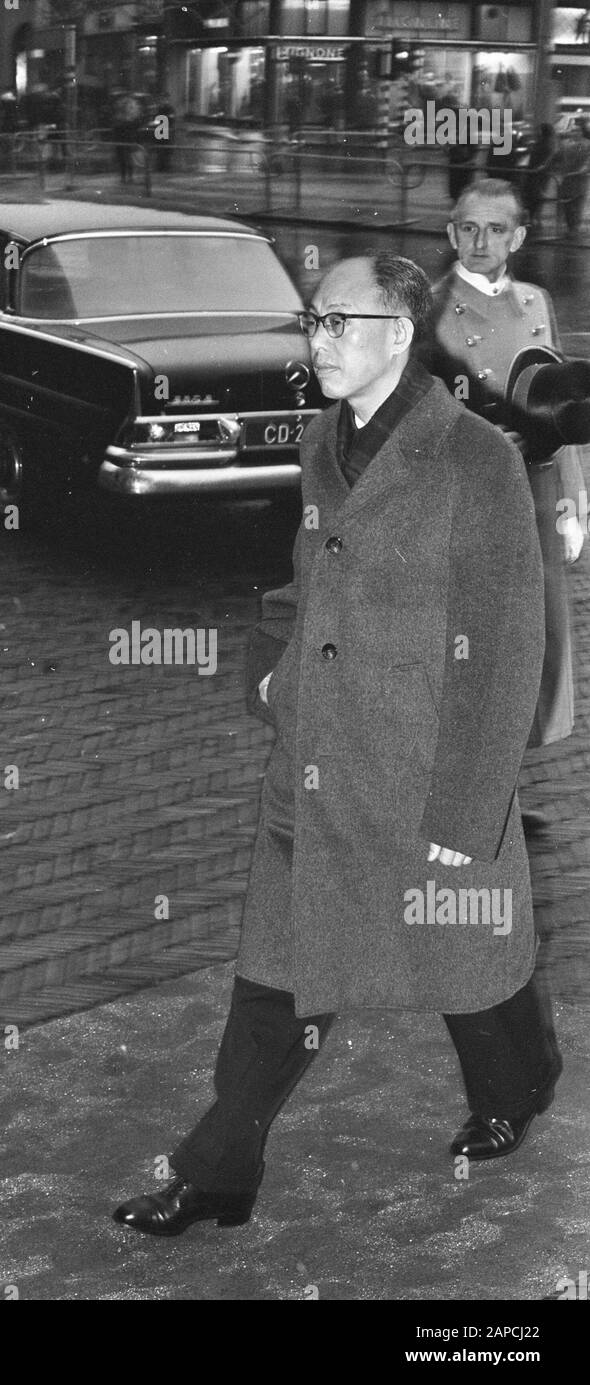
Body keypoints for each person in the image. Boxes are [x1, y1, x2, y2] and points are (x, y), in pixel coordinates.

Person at [113, 253, 560, 1238]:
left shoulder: (474, 460)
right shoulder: (322, 441)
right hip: (312, 767)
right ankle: (217, 1173)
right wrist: (270, 669)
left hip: (416, 774)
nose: (313, 344)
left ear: (397, 335)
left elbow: (503, 644)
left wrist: (465, 809)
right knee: (276, 980)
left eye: (334, 323)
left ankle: (517, 1085)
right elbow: (303, 576)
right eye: (309, 323)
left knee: (464, 970)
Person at [430, 179, 585, 758]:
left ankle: (503, 789)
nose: (480, 240)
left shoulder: (536, 303)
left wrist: (574, 502)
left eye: (496, 229)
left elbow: (563, 407)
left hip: (538, 490)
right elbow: (409, 408)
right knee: (476, 642)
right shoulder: (429, 308)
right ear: (451, 233)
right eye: (468, 228)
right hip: (469, 493)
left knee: (534, 641)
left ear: (517, 237)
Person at [522, 123, 558, 230]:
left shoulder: (547, 143)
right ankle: (534, 217)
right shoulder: (544, 142)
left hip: (538, 173)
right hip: (535, 172)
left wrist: (539, 167)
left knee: (535, 194)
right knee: (533, 194)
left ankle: (534, 217)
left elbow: (548, 158)